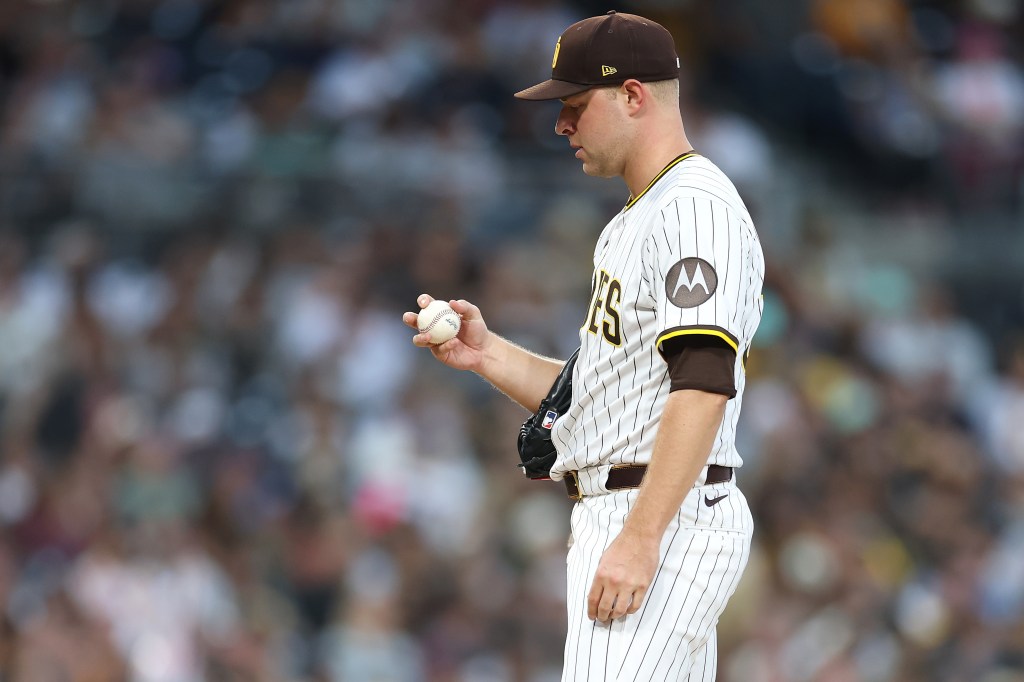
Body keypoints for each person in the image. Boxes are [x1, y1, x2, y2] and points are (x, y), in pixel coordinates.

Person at [403, 11, 764, 681]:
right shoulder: (638, 216)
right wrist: (488, 355)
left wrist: (642, 536)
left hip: (662, 513)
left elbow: (705, 381)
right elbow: (601, 396)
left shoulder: (693, 209)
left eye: (575, 105)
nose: (561, 124)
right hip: (635, 507)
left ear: (633, 96)